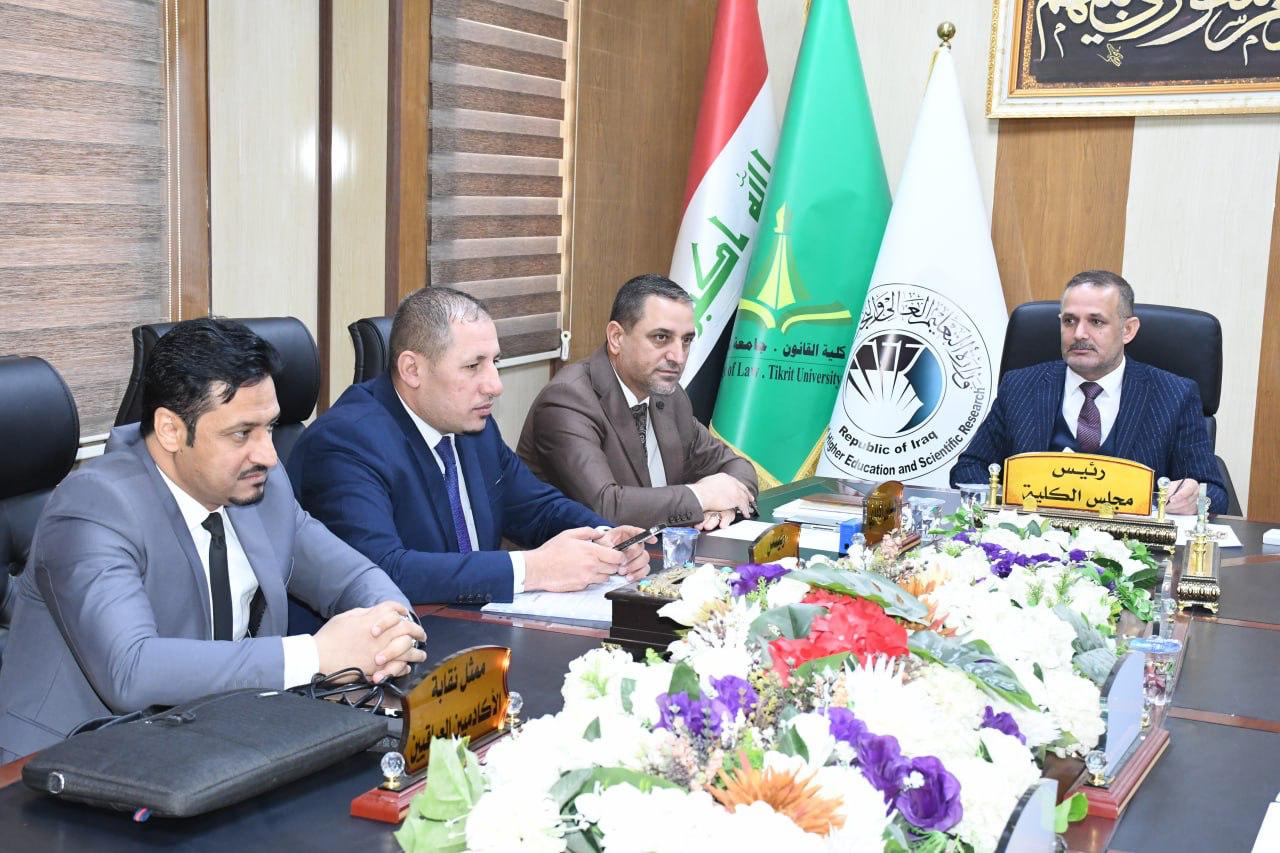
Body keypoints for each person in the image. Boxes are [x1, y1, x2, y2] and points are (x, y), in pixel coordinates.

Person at [0, 319, 425, 762]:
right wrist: (315, 655)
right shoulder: (94, 507)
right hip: (70, 763)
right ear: (170, 430)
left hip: (212, 745)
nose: (269, 455)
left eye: (270, 428)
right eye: (241, 433)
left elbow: (352, 576)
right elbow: (131, 670)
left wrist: (389, 631)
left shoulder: (259, 486)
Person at [287, 287, 651, 605]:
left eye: (495, 362)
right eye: (473, 366)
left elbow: (537, 508)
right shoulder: (345, 444)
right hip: (387, 648)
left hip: (474, 625)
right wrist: (532, 569)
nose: (495, 385)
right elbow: (382, 570)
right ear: (412, 370)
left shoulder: (472, 426)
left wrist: (604, 537)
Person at [950, 270, 1228, 514]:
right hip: (1033, 544)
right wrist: (1007, 504)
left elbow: (1214, 492)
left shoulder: (1174, 395)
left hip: (1130, 550)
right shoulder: (1020, 386)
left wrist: (1193, 498)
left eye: (1096, 322)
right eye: (1069, 321)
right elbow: (969, 468)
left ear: (1128, 330)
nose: (1079, 334)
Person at [517, 274, 757, 530]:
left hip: (652, 549)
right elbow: (605, 507)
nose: (678, 357)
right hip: (578, 552)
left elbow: (736, 467)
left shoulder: (669, 395)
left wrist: (725, 505)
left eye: (686, 340)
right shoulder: (568, 400)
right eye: (661, 337)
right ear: (616, 338)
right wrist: (701, 496)